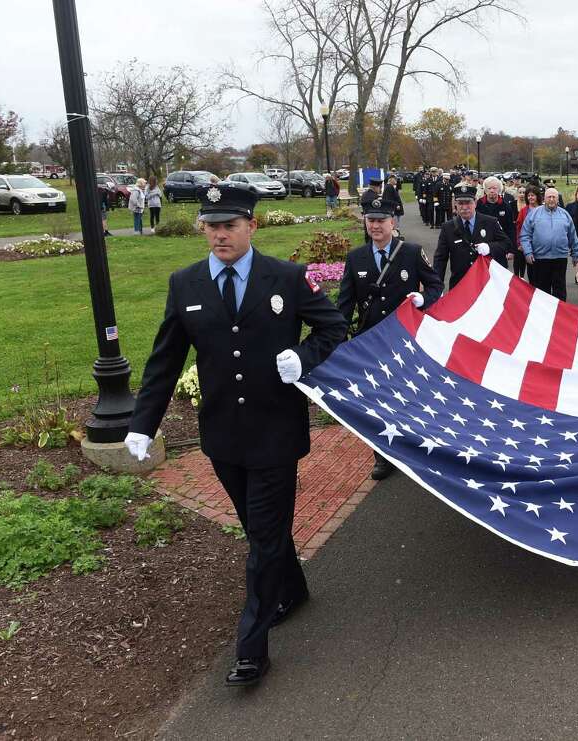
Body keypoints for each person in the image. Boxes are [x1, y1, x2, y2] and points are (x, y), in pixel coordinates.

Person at [124, 182, 347, 687]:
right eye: (211, 225)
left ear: (252, 225)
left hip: (275, 432)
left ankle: (252, 648)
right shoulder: (186, 284)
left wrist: (303, 357)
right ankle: (294, 589)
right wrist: (143, 423)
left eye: (229, 225)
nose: (219, 235)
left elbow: (335, 328)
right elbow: (165, 361)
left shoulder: (287, 278)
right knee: (258, 530)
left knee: (263, 539)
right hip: (222, 435)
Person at [336, 197, 442, 480]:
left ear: (393, 223)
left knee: (410, 393)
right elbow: (345, 303)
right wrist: (336, 337)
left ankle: (415, 446)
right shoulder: (355, 258)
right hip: (372, 341)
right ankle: (382, 455)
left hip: (405, 338)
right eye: (371, 220)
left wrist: (423, 299)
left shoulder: (411, 252)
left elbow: (435, 285)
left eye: (381, 220)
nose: (375, 226)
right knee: (378, 399)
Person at [435, 183, 511, 290]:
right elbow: (440, 259)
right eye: (460, 203)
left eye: (468, 203)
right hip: (460, 284)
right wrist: (436, 287)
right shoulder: (448, 227)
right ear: (455, 204)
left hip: (487, 283)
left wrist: (490, 247)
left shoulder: (490, 222)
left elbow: (506, 244)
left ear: (475, 202)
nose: (464, 207)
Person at [520, 187, 578, 300]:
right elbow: (525, 235)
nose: (551, 199)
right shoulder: (534, 214)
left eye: (554, 197)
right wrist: (527, 252)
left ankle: (560, 315)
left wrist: (576, 254)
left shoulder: (565, 215)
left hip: (560, 258)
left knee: (560, 291)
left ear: (558, 199)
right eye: (549, 197)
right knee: (542, 292)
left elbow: (572, 235)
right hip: (540, 259)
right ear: (544, 199)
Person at [476, 176, 519, 274]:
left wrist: (511, 250)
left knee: (501, 275)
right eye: (489, 188)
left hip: (500, 247)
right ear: (485, 190)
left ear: (499, 189)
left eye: (494, 188)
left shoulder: (505, 206)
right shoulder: (479, 204)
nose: (492, 191)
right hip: (482, 246)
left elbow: (510, 229)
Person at [514, 188, 542, 280]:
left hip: (541, 246)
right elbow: (518, 228)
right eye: (529, 195)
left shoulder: (543, 209)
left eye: (532, 195)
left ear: (537, 196)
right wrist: (519, 243)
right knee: (531, 272)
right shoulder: (523, 211)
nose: (530, 197)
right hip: (527, 245)